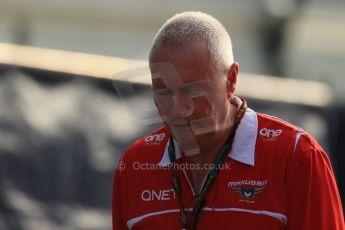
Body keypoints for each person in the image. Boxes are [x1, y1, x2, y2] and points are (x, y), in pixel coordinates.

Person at [112, 11, 344, 230]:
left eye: (192, 91)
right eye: (163, 92)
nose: (177, 108)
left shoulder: (296, 156)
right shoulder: (134, 164)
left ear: (230, 80)